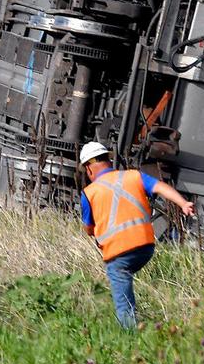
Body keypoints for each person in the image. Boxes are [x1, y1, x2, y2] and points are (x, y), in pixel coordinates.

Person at [78, 141, 195, 329]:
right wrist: (183, 203)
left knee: (121, 289)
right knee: (125, 277)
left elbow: (88, 229)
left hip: (118, 253)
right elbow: (161, 188)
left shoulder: (89, 193)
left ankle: (130, 338)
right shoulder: (133, 176)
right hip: (145, 246)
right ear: (108, 159)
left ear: (88, 168)